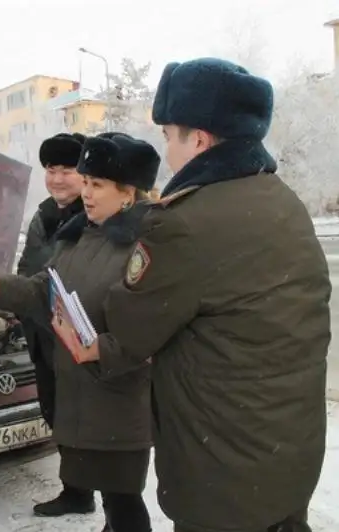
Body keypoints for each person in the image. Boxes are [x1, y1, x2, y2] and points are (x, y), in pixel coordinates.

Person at [69, 58, 331, 532]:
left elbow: (131, 328)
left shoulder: (183, 222)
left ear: (200, 141)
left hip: (220, 471)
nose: (167, 151)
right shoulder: (281, 198)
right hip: (288, 451)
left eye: (169, 135)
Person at [0, 132, 161, 532]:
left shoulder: (146, 241)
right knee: (113, 499)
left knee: (124, 500)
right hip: (83, 389)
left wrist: (101, 350)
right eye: (86, 182)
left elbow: (152, 324)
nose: (85, 193)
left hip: (120, 396)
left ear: (128, 192)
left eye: (97, 184)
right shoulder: (82, 234)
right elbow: (46, 288)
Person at [17, 132, 97, 517]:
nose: (57, 179)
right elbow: (28, 269)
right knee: (57, 415)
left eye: (67, 170)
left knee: (93, 425)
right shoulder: (44, 215)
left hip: (82, 339)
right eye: (51, 170)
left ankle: (116, 507)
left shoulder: (95, 214)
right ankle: (77, 492)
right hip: (44, 337)